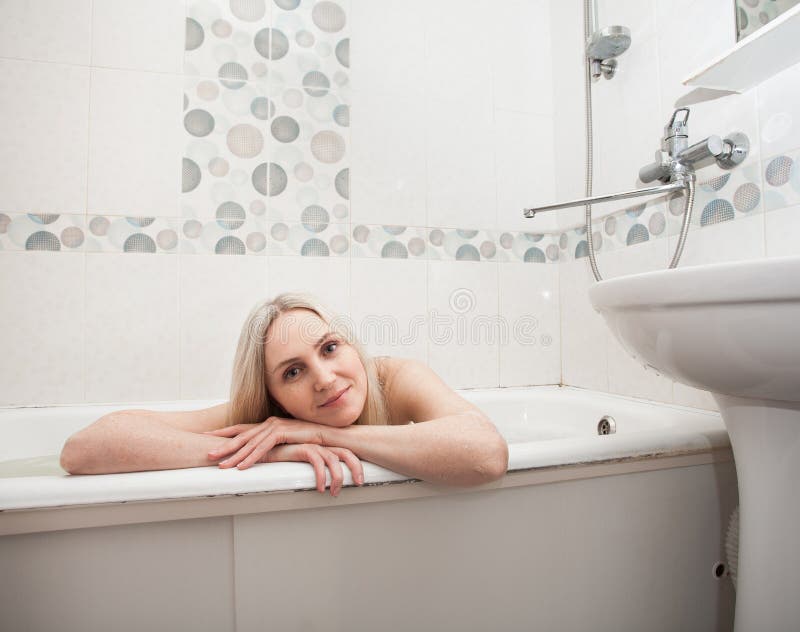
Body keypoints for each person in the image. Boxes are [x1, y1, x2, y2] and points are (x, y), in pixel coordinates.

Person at [60, 293, 509, 496]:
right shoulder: (265, 419)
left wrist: (320, 435)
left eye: (330, 348)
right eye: (293, 371)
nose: (326, 379)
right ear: (273, 396)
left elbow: (485, 453)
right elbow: (83, 450)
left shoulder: (393, 379)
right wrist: (269, 452)